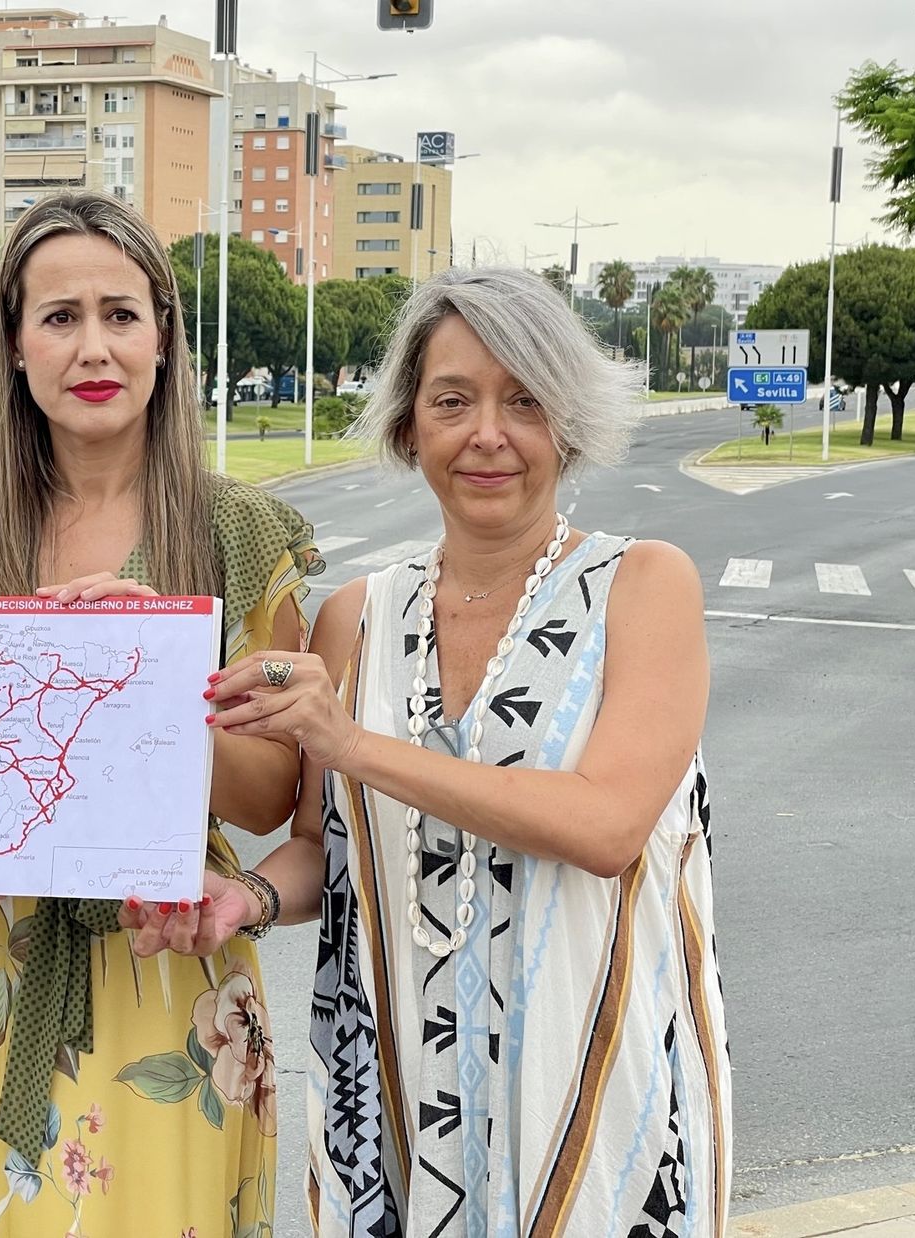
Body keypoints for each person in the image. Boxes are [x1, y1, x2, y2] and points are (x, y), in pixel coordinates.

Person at [177, 266, 732, 1235]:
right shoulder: (354, 616)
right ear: (406, 427)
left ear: (567, 422)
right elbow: (322, 843)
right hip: (392, 1083)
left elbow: (604, 825)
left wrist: (350, 742)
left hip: (594, 1081)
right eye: (451, 400)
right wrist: (250, 897)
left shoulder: (643, 584)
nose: (488, 433)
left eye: (524, 400)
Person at [0, 191, 322, 1235]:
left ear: (163, 336)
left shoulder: (238, 533)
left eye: (121, 313)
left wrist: (159, 682)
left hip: (171, 970)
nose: (92, 345)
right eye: (59, 317)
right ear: (14, 346)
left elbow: (271, 797)